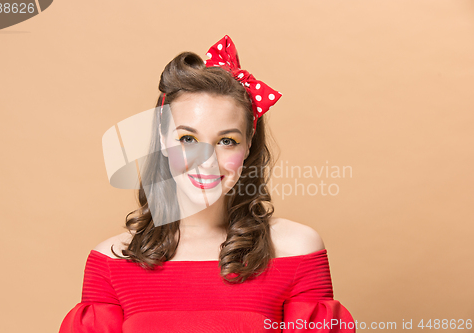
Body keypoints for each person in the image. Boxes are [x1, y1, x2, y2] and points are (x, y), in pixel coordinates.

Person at [58, 35, 356, 333]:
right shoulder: (110, 261)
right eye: (188, 139)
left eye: (227, 141)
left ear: (249, 145)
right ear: (162, 139)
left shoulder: (296, 251)